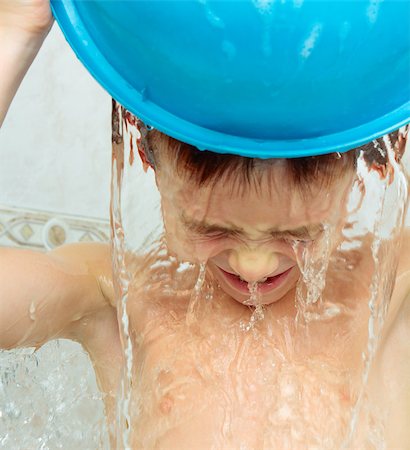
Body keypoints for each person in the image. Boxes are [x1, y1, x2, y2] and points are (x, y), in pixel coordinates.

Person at [1, 1, 410, 448]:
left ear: (378, 160)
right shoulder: (121, 296)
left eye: (298, 236)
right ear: (145, 157)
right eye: (210, 228)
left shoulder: (389, 293)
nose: (253, 266)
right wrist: (15, 28)